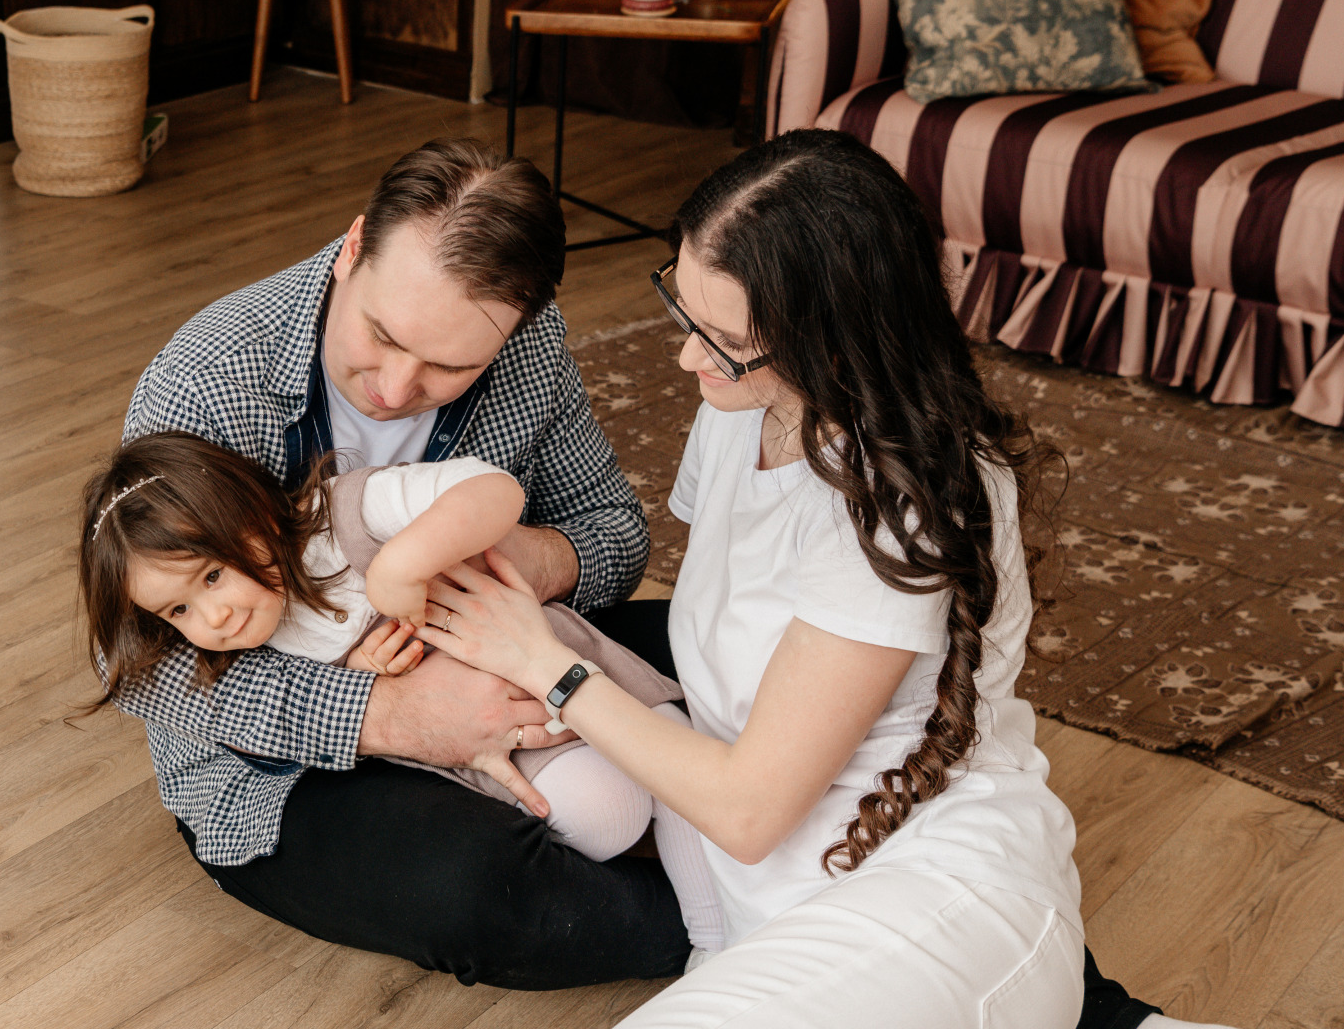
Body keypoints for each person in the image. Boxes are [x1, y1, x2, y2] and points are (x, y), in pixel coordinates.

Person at [406, 128, 1202, 1027]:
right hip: (777, 916)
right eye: (684, 312)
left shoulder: (900, 504)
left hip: (936, 896)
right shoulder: (740, 407)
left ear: (837, 339)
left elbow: (748, 810)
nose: (687, 359)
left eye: (726, 341)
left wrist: (544, 661)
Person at [117, 137, 696, 986]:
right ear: (353, 247)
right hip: (288, 761)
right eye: (380, 335)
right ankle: (745, 923)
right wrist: (388, 713)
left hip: (513, 646)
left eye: (450, 366)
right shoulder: (213, 379)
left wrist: (527, 562)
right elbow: (139, 664)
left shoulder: (528, 351)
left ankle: (740, 849)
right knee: (474, 887)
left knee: (729, 643)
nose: (392, 389)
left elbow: (613, 527)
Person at [76, 430, 724, 954]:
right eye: (178, 612)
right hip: (503, 743)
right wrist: (358, 675)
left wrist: (401, 563)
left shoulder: (346, 515)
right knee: (605, 815)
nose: (212, 619)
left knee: (681, 771)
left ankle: (713, 938)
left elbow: (493, 491)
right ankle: (686, 920)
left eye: (213, 576)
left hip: (559, 662)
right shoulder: (260, 643)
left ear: (252, 517)